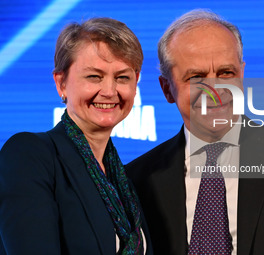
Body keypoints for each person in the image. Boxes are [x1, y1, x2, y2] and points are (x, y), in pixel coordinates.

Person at [126, 9, 264, 255]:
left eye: (226, 73)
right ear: (166, 89)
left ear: (242, 73)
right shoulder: (137, 179)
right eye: (196, 77)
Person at [0, 18, 153, 255]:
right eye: (94, 76)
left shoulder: (123, 181)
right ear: (61, 83)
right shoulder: (29, 155)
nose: (110, 91)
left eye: (122, 77)